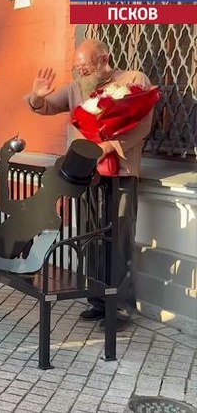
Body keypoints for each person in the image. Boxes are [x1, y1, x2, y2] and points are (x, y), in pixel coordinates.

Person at [26, 38, 153, 331]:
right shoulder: (76, 88)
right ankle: (97, 300)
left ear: (104, 59)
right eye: (77, 68)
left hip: (120, 174)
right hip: (87, 175)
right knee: (91, 238)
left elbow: (143, 124)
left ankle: (119, 308)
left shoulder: (133, 80)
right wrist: (36, 96)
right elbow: (45, 106)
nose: (81, 72)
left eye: (85, 67)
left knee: (119, 241)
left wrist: (108, 146)